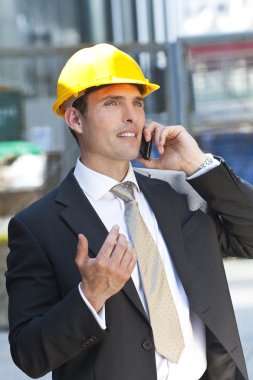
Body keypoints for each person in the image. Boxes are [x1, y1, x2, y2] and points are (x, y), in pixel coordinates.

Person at [5, 43, 253, 380]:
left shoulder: (181, 192)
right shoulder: (37, 227)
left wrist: (198, 165)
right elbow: (29, 355)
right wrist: (90, 296)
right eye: (112, 103)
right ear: (75, 118)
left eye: (137, 102)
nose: (132, 115)